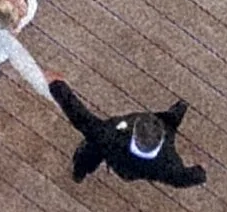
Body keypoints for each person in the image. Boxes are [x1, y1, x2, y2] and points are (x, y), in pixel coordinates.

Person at [47, 80, 206, 187]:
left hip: (115, 158)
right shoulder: (168, 165)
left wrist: (57, 86)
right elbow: (183, 179)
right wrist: (201, 171)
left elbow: (80, 116)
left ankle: (80, 172)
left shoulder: (110, 136)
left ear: (135, 134)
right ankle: (181, 107)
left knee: (90, 151)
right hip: (131, 172)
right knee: (171, 119)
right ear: (161, 138)